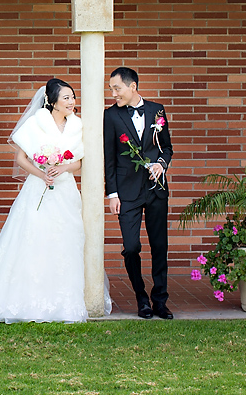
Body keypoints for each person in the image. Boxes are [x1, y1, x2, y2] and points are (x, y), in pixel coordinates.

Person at [0, 78, 111, 323]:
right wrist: (42, 173)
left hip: (65, 191)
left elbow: (79, 162)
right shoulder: (36, 123)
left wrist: (64, 168)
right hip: (38, 188)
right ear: (52, 101)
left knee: (66, 239)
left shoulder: (77, 125)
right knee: (33, 238)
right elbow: (21, 158)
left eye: (72, 97)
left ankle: (63, 302)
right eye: (66, 97)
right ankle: (25, 299)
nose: (71, 102)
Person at [103, 67, 174, 319]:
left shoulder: (157, 110)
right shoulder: (110, 116)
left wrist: (161, 164)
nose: (113, 94)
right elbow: (109, 158)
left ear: (132, 87)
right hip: (126, 192)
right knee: (131, 247)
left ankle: (160, 300)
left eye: (116, 88)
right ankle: (141, 297)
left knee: (159, 246)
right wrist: (112, 194)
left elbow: (166, 147)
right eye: (111, 89)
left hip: (156, 189)